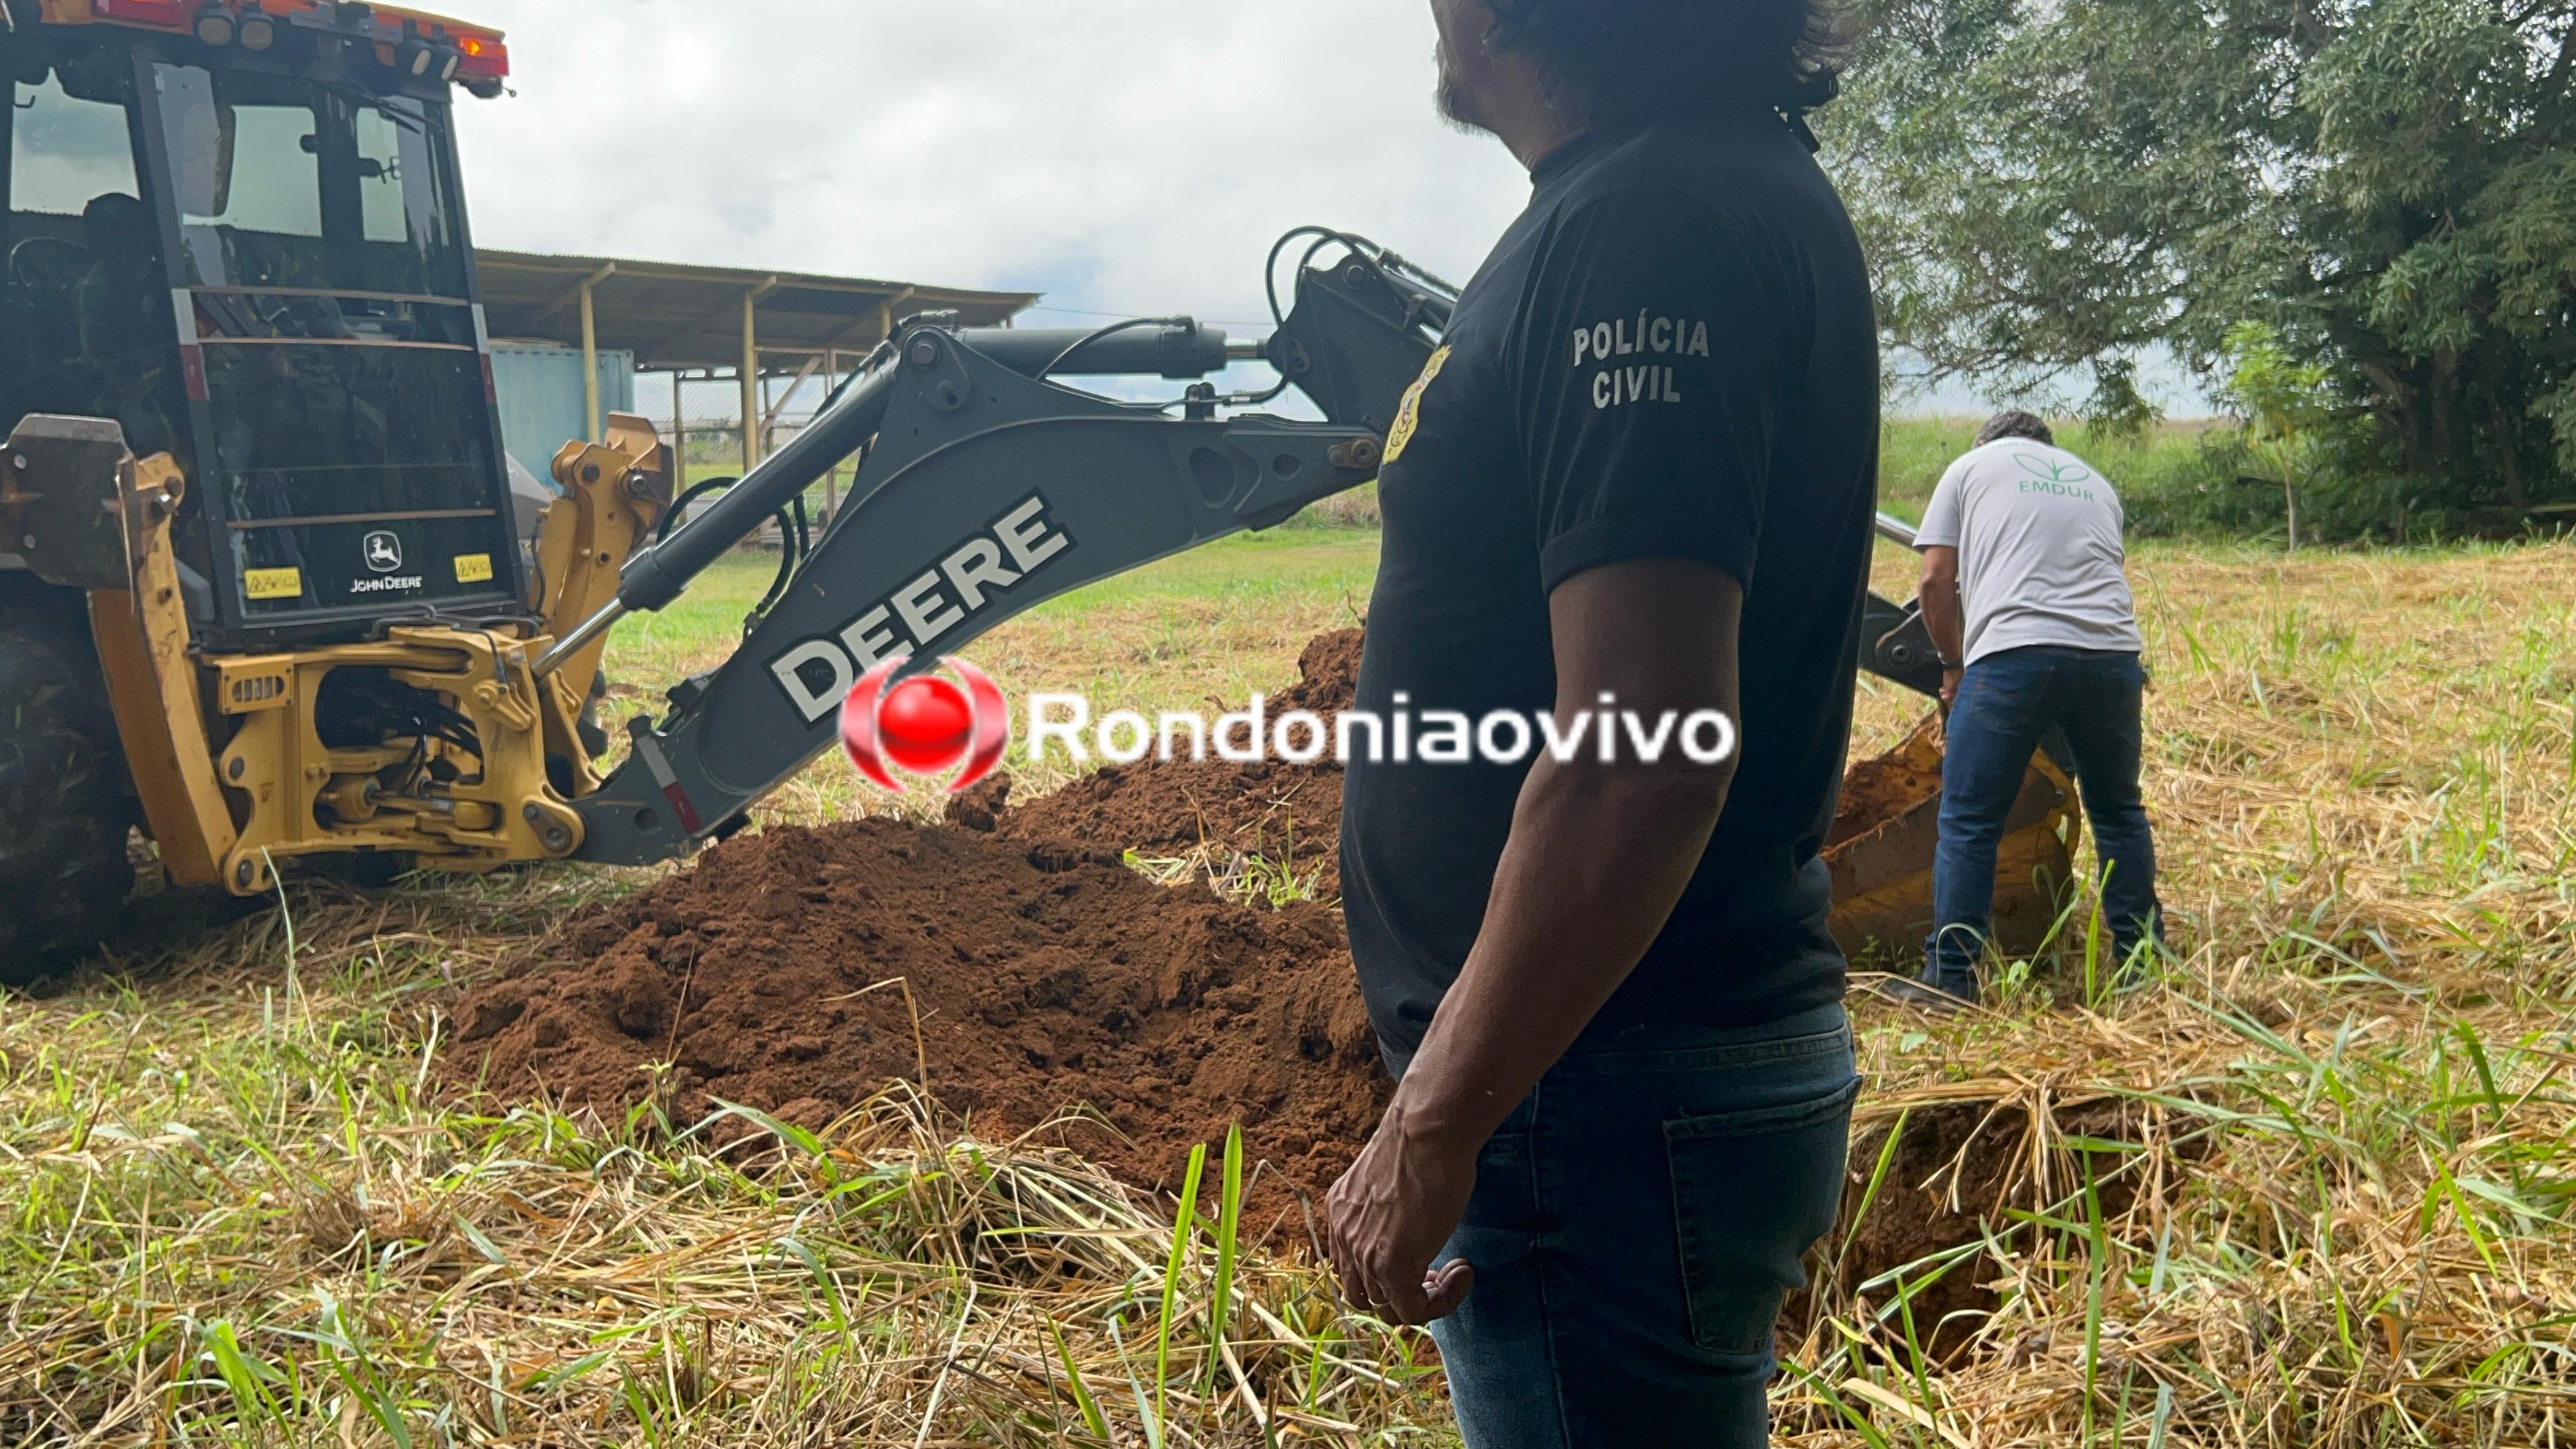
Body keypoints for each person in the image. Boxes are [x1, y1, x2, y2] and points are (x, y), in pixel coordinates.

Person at [1321, 1, 1876, 1442]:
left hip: (1596, 1095)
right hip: (1608, 1087)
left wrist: (1433, 1122)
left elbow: (1641, 760)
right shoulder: (1680, 191)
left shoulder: (1648, 221)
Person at [1892, 411, 2163, 1007]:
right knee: (2119, 811)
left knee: (1970, 820)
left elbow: (1936, 580)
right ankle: (2143, 967)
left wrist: (1953, 662)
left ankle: (1953, 979)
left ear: (1987, 442)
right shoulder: (2093, 480)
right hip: (2113, 657)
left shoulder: (1970, 467)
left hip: (2013, 658)